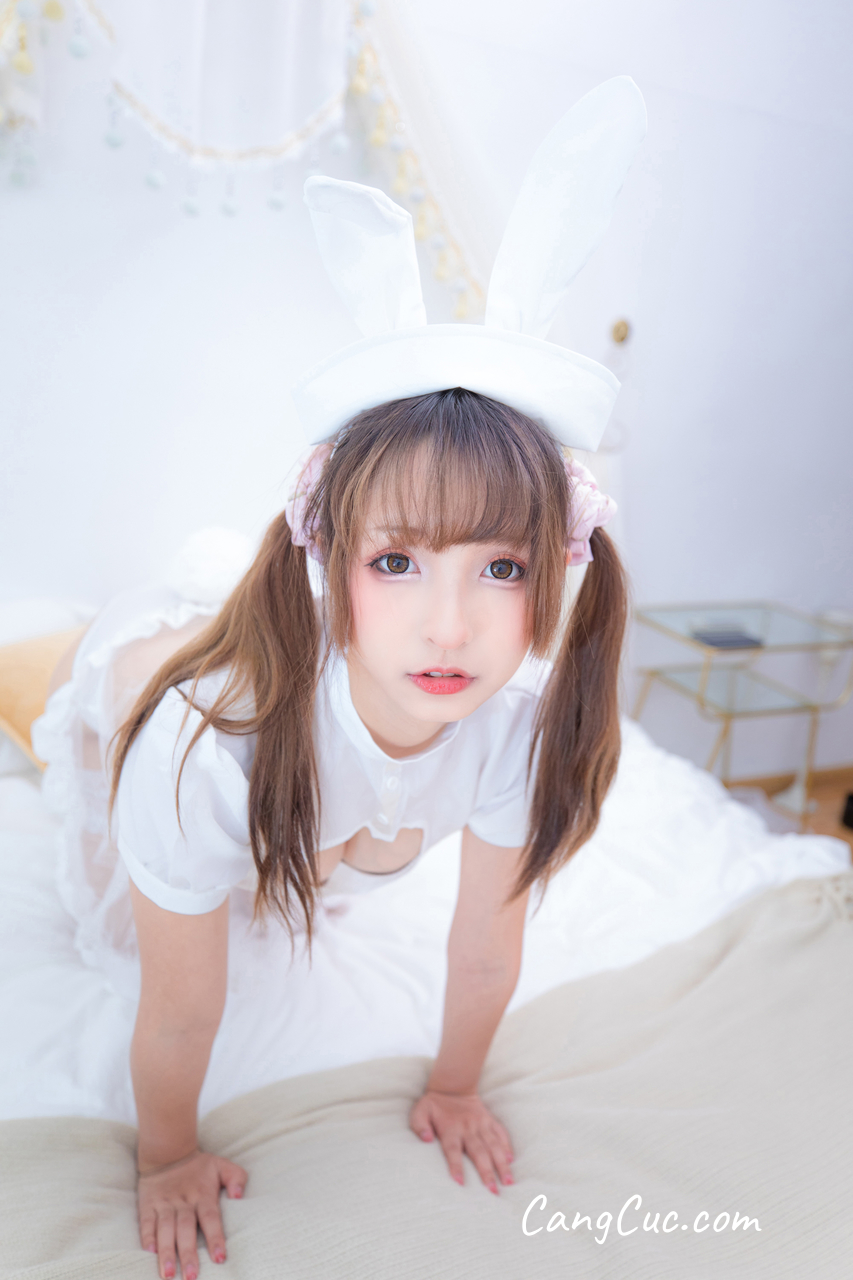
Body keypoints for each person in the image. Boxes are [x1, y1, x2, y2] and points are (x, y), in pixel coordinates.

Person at [36, 77, 647, 1280]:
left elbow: (485, 948)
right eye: (397, 560)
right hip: (153, 684)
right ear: (333, 560)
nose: (449, 623)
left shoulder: (513, 733)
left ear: (558, 567)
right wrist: (166, 1154)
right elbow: (179, 1007)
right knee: (60, 687)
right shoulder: (202, 750)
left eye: (502, 567)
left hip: (293, 690)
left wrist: (455, 1082)